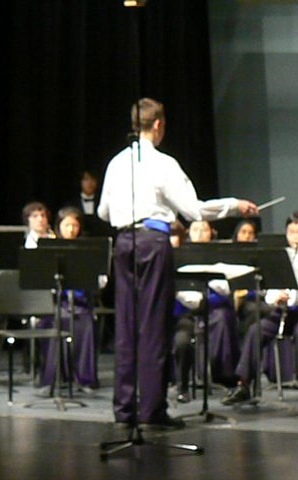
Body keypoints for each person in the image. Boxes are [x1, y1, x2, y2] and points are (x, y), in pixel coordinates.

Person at [97, 97, 258, 429]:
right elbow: (194, 210)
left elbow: (102, 212)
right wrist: (234, 205)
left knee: (127, 325)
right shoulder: (163, 163)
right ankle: (153, 411)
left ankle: (124, 409)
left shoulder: (116, 162)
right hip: (153, 243)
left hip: (123, 242)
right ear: (158, 125)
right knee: (154, 326)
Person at [222, 209, 298, 408]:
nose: (294, 237)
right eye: (290, 232)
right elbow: (268, 289)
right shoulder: (283, 258)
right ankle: (244, 384)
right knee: (256, 329)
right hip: (286, 311)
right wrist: (275, 296)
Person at [173, 220, 241, 403]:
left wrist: (210, 276)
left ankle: (223, 376)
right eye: (196, 229)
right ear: (188, 233)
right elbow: (177, 291)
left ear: (212, 232)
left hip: (213, 310)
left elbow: (227, 289)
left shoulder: (220, 257)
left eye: (204, 229)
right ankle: (183, 387)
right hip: (187, 313)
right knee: (182, 341)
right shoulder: (179, 257)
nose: (200, 233)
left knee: (223, 319)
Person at [38, 206, 99, 394]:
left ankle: (84, 379)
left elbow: (98, 280)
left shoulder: (87, 248)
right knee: (55, 321)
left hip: (80, 302)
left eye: (74, 225)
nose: (71, 230)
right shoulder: (51, 246)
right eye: (67, 225)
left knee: (86, 323)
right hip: (57, 303)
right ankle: (51, 379)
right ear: (59, 226)